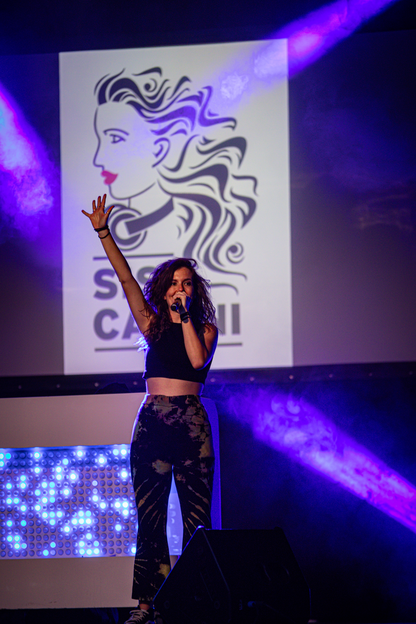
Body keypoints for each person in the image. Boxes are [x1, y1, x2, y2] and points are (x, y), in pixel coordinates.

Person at [83, 194, 218, 624]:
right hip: (153, 423)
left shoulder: (205, 329)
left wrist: (184, 320)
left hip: (191, 426)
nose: (181, 288)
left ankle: (200, 602)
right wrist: (104, 233)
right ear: (163, 289)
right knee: (151, 520)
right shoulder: (150, 323)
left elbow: (197, 361)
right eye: (175, 283)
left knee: (198, 522)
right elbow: (124, 279)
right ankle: (147, 605)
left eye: (187, 284)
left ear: (194, 292)